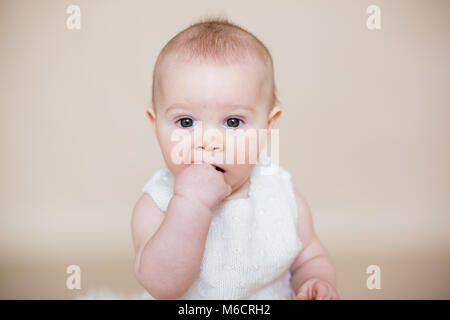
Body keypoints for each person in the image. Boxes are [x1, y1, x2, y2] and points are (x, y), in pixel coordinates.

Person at [131, 17, 339, 300]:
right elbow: (163, 286)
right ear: (156, 126)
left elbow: (309, 258)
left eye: (232, 122)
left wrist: (314, 282)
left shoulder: (281, 195)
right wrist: (190, 204)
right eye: (185, 121)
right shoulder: (156, 204)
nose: (208, 141)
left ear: (268, 126)